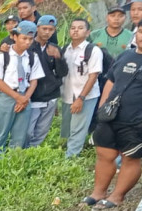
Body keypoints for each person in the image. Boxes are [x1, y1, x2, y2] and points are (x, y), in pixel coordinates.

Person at [85, 15, 142, 208]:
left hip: (138, 121)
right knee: (104, 154)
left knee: (130, 157)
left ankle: (117, 196)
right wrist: (102, 108)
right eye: (141, 32)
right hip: (111, 116)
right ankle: (98, 192)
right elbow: (111, 80)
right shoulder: (126, 55)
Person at [0, 20, 44, 155]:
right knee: (2, 132)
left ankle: (15, 159)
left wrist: (25, 99)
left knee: (21, 134)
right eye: (24, 38)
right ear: (14, 37)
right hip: (7, 97)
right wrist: (18, 97)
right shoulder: (2, 56)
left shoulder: (32, 57)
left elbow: (34, 80)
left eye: (30, 39)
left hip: (25, 97)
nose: (27, 42)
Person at [61, 19, 102, 158]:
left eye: (80, 28)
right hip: (67, 94)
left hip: (85, 96)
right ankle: (70, 149)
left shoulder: (93, 50)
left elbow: (93, 76)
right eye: (72, 27)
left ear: (87, 32)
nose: (75, 30)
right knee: (68, 127)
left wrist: (81, 98)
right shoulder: (65, 49)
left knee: (78, 127)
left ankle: (71, 157)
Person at [25, 15, 65, 148]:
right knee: (27, 131)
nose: (47, 32)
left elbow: (62, 73)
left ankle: (33, 153)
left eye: (51, 29)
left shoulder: (54, 48)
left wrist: (58, 58)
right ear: (37, 28)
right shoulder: (28, 47)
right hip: (32, 96)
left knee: (42, 131)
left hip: (50, 96)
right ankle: (22, 152)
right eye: (44, 28)